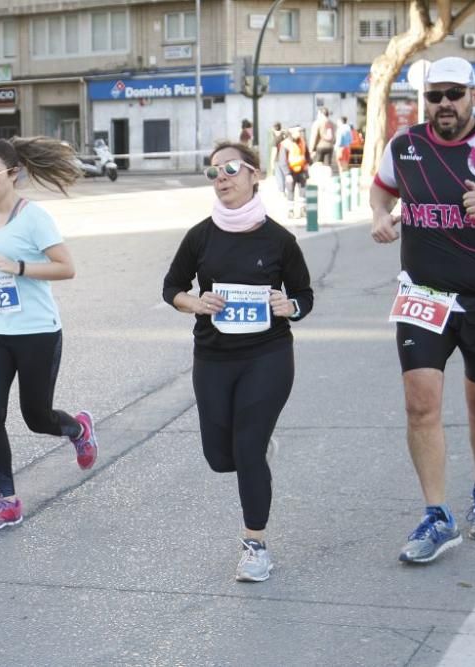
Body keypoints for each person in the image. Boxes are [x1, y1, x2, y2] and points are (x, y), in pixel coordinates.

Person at [370, 56, 475, 564]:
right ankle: (436, 515)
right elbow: (381, 187)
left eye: (453, 94)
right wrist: (379, 214)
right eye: (434, 96)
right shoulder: (406, 146)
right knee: (420, 404)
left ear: (473, 96)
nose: (443, 104)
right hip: (424, 295)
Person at [162, 141, 314, 582]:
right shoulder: (200, 235)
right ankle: (257, 450)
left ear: (254, 174)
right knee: (219, 456)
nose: (221, 178)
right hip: (212, 356)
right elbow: (171, 286)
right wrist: (194, 301)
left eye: (230, 169)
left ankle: (255, 546)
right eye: (213, 172)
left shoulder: (279, 240)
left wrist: (290, 306)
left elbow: (304, 294)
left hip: (267, 355)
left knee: (246, 449)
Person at [0, 136, 99, 531]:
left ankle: (77, 429)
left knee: (35, 416)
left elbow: (65, 267)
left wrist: (19, 267)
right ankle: (7, 500)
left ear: (13, 174)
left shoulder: (34, 217)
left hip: (38, 331)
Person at [280, 126, 311, 218]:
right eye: (298, 131)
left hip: (301, 170)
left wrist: (307, 164)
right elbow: (282, 161)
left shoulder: (302, 141)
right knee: (290, 191)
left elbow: (307, 154)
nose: (300, 133)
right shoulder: (285, 144)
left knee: (303, 190)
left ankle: (303, 210)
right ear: (292, 133)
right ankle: (291, 211)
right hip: (291, 171)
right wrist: (287, 174)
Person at [268, 122, 288, 193]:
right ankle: (287, 190)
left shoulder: (276, 139)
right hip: (286, 159)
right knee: (285, 175)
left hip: (277, 159)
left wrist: (271, 163)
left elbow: (274, 151)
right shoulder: (285, 136)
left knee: (279, 176)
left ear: (274, 129)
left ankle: (282, 191)